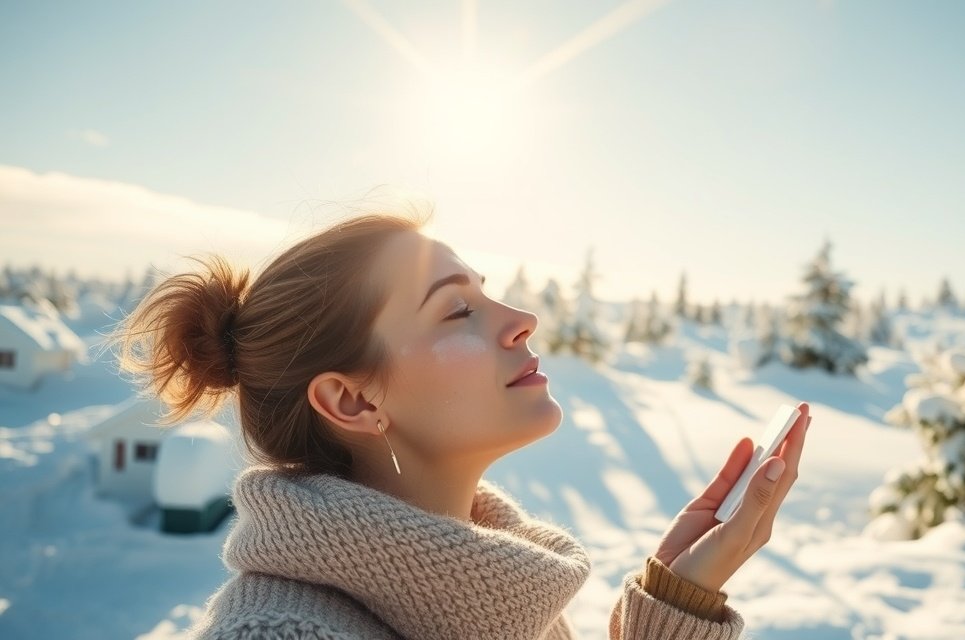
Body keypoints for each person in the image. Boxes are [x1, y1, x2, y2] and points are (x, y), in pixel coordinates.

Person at [115, 213, 811, 639]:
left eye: (486, 292)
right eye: (456, 311)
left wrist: (677, 599)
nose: (519, 319)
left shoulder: (498, 593)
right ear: (353, 402)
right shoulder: (283, 635)